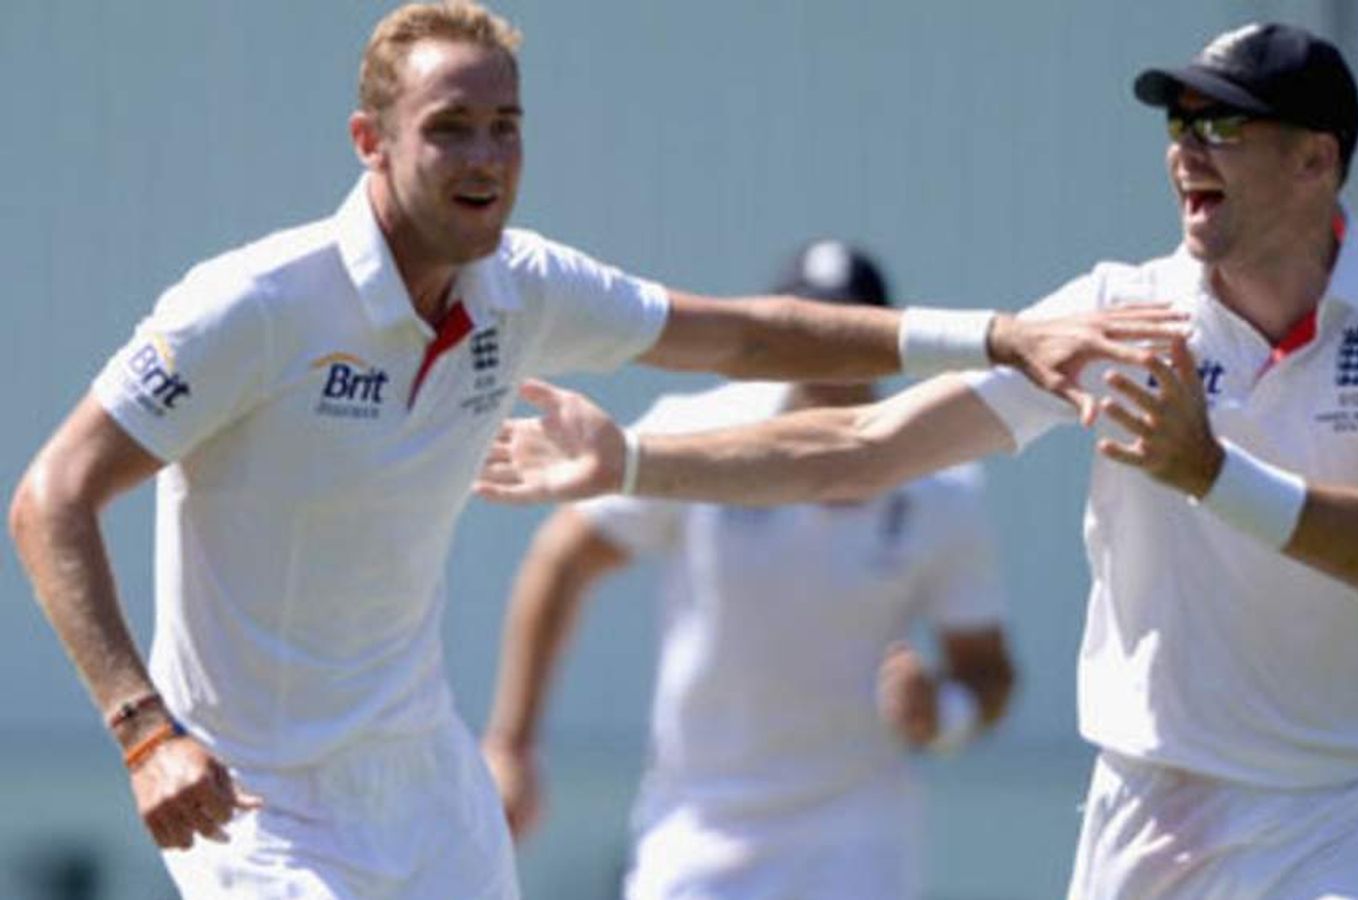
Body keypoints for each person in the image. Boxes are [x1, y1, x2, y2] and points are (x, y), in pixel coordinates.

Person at [3, 2, 1181, 897]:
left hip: (429, 790)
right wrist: (144, 732)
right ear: (370, 141)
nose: (484, 158)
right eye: (448, 130)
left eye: (504, 128)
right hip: (254, 801)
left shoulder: (524, 287)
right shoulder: (254, 304)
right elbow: (51, 496)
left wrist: (998, 335)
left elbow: (744, 334)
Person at [474, 22, 1358, 899]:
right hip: (1150, 796)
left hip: (1343, 800)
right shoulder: (1118, 311)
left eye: (1223, 126)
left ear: (1316, 161)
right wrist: (630, 460)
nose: (1189, 150)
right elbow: (868, 446)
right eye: (1180, 125)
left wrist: (1206, 471)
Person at [479, 240, 1017, 899]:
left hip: (857, 841)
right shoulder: (704, 432)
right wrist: (512, 744)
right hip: (699, 826)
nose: (828, 356)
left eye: (848, 333)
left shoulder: (943, 488)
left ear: (883, 342)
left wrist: (944, 712)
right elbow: (563, 558)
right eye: (810, 332)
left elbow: (988, 672)